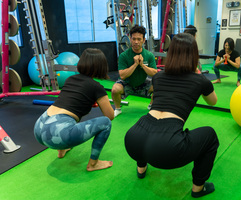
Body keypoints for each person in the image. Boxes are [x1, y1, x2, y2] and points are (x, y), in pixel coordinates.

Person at [124, 33, 219, 198]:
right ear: (193, 55)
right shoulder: (200, 80)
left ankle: (141, 169)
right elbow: (213, 102)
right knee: (210, 135)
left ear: (171, 53)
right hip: (166, 149)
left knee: (148, 124)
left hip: (133, 140)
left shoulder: (158, 77)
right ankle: (198, 188)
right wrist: (199, 77)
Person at [34, 48, 114, 171]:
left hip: (39, 128)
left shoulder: (70, 79)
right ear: (101, 67)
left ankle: (61, 151)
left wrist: (87, 103)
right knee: (106, 123)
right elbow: (110, 115)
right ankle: (93, 164)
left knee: (68, 118)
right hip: (58, 133)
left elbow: (70, 104)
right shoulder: (97, 87)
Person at [111, 25, 157, 117]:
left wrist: (142, 65)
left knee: (160, 86)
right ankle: (117, 109)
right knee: (115, 89)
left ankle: (151, 106)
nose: (136, 42)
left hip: (143, 83)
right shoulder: (124, 56)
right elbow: (122, 75)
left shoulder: (149, 55)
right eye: (134, 39)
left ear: (144, 40)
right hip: (127, 84)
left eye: (139, 39)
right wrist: (135, 64)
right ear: (130, 39)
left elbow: (154, 73)